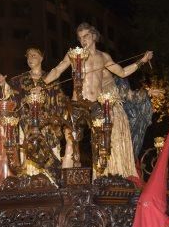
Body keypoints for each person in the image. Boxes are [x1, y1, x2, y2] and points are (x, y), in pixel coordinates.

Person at [44, 23, 152, 179]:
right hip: (77, 103)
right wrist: (41, 84)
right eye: (80, 37)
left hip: (96, 105)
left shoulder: (103, 57)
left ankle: (100, 180)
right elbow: (57, 71)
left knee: (102, 144)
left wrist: (142, 60)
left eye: (86, 36)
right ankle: (66, 183)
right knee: (70, 141)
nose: (83, 40)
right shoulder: (74, 55)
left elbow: (122, 72)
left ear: (94, 36)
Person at [0, 47, 70, 180]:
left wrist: (59, 121)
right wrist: (3, 84)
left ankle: (54, 185)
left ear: (42, 58)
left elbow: (60, 101)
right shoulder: (19, 80)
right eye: (28, 56)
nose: (30, 58)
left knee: (50, 156)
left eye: (34, 55)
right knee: (31, 161)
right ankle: (33, 187)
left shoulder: (51, 78)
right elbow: (10, 97)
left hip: (48, 126)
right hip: (28, 127)